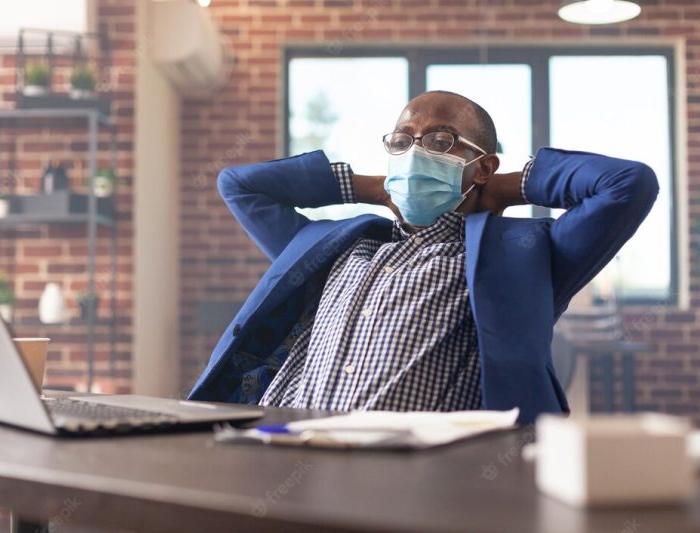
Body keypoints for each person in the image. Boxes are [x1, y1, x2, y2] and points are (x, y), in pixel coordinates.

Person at [187, 90, 659, 424]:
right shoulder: (336, 247)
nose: (415, 153)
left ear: (481, 164)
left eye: (439, 141)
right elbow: (239, 184)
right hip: (278, 453)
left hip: (416, 483)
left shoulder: (521, 257)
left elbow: (626, 185)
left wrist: (503, 187)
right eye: (401, 141)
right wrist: (373, 187)